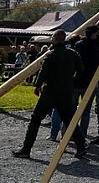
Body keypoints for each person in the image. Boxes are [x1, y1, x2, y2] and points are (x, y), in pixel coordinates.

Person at [12, 30, 87, 159]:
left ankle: (26, 149)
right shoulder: (73, 54)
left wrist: (37, 86)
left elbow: (43, 72)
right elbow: (81, 70)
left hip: (50, 91)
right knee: (69, 120)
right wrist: (71, 82)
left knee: (35, 119)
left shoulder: (51, 54)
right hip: (66, 92)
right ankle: (81, 147)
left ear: (54, 39)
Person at [74, 25, 99, 138]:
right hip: (90, 82)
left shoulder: (78, 45)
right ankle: (81, 136)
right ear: (94, 34)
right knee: (85, 111)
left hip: (77, 81)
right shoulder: (97, 47)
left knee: (71, 110)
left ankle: (66, 134)